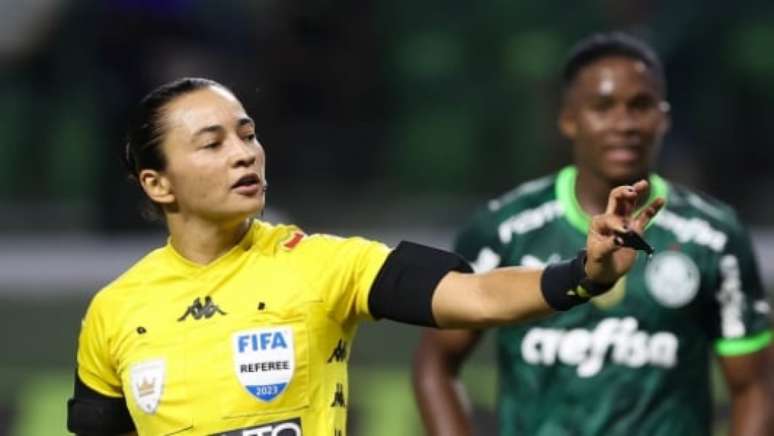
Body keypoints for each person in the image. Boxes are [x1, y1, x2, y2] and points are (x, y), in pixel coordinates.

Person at [65, 77, 662, 436]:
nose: (244, 154)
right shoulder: (114, 312)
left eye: (247, 134)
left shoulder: (322, 263)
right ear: (157, 184)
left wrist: (582, 274)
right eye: (212, 143)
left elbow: (475, 294)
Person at [412, 32, 774, 436]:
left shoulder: (715, 237)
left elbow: (755, 386)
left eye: (640, 106)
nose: (624, 124)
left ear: (664, 117)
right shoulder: (503, 230)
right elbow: (436, 364)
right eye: (603, 107)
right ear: (568, 119)